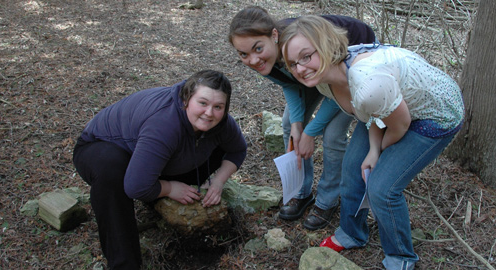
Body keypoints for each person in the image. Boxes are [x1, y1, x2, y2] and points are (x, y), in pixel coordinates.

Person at [280, 16, 464, 269]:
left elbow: (399, 124)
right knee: (353, 166)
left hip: (435, 115)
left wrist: (377, 152)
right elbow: (373, 116)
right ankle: (351, 233)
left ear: (326, 46)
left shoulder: (366, 82)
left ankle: (400, 257)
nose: (300, 69)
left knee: (382, 188)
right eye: (292, 63)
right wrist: (371, 150)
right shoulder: (325, 80)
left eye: (306, 56)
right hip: (391, 108)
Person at [72, 70, 247, 269]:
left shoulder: (222, 122)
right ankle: (124, 264)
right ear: (186, 99)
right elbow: (135, 187)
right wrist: (170, 188)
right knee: (113, 174)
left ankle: (153, 189)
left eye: (218, 107)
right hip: (101, 147)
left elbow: (238, 150)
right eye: (203, 103)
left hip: (152, 153)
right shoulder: (164, 124)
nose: (209, 113)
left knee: (216, 146)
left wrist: (218, 181)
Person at [228, 6, 377, 230]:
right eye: (244, 54)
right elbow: (288, 82)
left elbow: (335, 89)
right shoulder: (262, 58)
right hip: (309, 70)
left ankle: (327, 200)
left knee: (333, 134)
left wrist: (310, 131)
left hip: (344, 67)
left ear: (274, 36)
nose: (253, 59)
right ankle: (301, 191)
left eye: (258, 48)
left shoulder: (299, 43)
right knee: (289, 124)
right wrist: (298, 125)